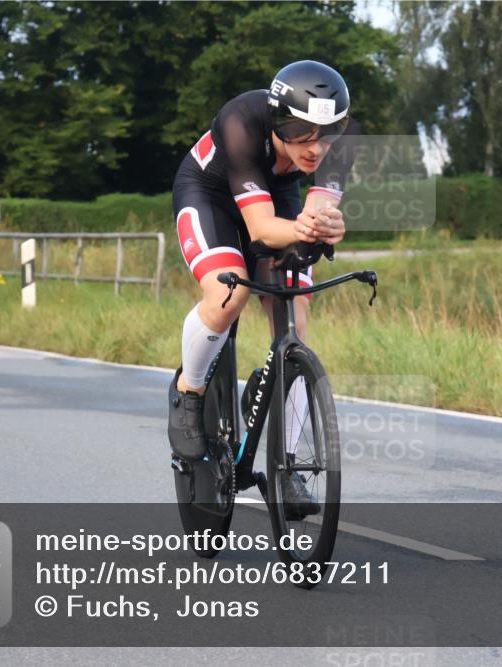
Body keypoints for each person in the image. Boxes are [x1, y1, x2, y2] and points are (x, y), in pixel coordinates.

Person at [168, 60, 358, 514]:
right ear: (277, 121)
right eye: (300, 132)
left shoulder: (343, 141)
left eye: (325, 135)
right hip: (210, 196)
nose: (316, 147)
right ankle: (189, 393)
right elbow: (260, 229)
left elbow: (318, 210)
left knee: (297, 310)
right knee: (230, 294)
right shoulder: (240, 122)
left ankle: (286, 467)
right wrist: (306, 230)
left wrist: (328, 224)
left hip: (280, 196)